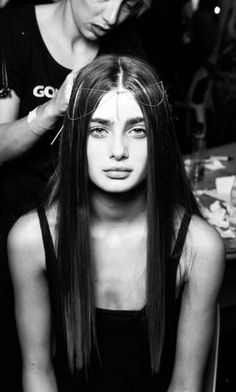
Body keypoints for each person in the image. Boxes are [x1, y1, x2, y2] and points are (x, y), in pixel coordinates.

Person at [8, 55, 225, 392]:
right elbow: (37, 372)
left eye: (137, 130)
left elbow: (185, 383)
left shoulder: (199, 247)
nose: (119, 150)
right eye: (99, 129)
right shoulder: (31, 239)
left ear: (158, 141)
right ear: (77, 138)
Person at [0, 0, 151, 233]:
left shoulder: (126, 39)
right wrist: (52, 109)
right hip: (19, 213)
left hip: (90, 221)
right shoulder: (13, 28)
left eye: (128, 6)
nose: (111, 18)